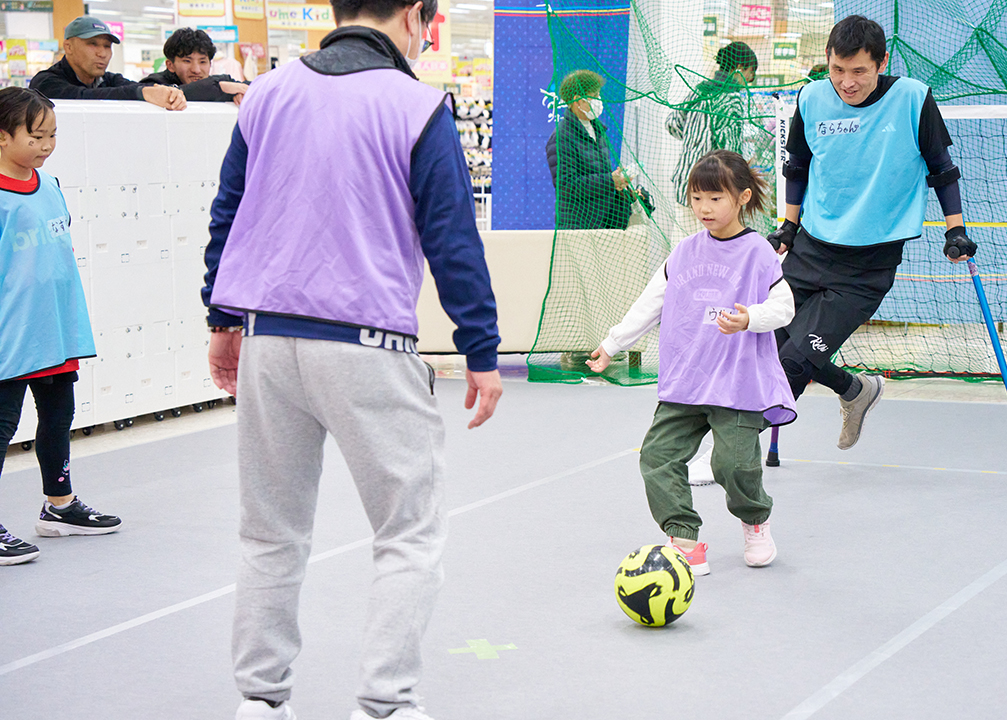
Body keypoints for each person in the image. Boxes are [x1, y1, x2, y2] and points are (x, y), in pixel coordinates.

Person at [200, 1, 502, 718]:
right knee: (408, 531)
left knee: (270, 532)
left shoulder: (267, 94)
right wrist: (480, 350)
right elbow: (452, 238)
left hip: (269, 340)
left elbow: (228, 210)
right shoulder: (416, 105)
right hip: (367, 346)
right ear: (414, 15)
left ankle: (261, 702)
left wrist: (220, 317)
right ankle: (388, 704)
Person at [767, 14, 975, 450]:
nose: (847, 82)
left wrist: (954, 230)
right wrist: (788, 225)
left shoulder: (913, 99)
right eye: (837, 70)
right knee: (763, 349)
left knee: (791, 364)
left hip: (866, 265)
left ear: (881, 63)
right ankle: (856, 391)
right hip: (810, 249)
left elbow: (942, 169)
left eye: (859, 71)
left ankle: (728, 450)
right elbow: (797, 166)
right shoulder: (811, 97)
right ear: (827, 60)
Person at [587, 150, 796, 574]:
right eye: (697, 198)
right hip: (686, 378)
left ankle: (755, 520)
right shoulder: (683, 252)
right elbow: (651, 302)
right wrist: (612, 343)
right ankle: (683, 538)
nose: (704, 208)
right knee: (657, 457)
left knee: (731, 465)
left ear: (742, 198)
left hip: (736, 382)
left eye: (715, 198)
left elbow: (785, 307)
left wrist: (751, 319)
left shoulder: (758, 252)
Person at [0, 88, 122, 566]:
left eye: (52, 135)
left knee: (58, 418)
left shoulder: (48, 184)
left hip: (53, 329)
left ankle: (60, 507)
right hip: (11, 335)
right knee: (3, 428)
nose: (47, 144)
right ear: (3, 137)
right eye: (36, 136)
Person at [667, 41, 758, 230]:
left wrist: (695, 137)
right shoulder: (731, 98)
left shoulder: (699, 91)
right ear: (739, 68)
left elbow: (672, 124)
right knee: (709, 252)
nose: (749, 80)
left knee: (683, 248)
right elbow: (731, 152)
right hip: (712, 190)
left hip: (685, 182)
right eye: (750, 73)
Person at [30, 16, 186, 111]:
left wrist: (168, 93)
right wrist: (141, 93)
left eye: (107, 46)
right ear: (68, 47)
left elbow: (132, 87)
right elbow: (81, 97)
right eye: (93, 44)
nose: (102, 53)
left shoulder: (110, 80)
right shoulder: (46, 82)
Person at [545, 69, 636, 230]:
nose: (598, 100)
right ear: (577, 101)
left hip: (605, 220)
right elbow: (566, 186)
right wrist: (609, 180)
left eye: (598, 95)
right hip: (579, 224)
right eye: (594, 95)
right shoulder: (561, 138)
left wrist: (616, 180)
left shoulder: (598, 130)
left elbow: (600, 173)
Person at [140, 28, 249, 105]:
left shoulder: (222, 83)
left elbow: (252, 87)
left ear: (210, 64)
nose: (196, 70)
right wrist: (220, 88)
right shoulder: (153, 84)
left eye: (202, 62)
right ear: (170, 65)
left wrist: (239, 94)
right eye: (187, 61)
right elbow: (171, 95)